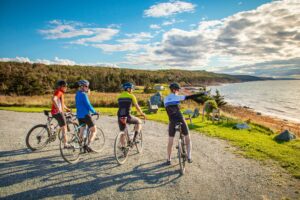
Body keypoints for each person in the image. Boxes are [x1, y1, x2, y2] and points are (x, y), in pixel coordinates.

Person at [164, 83, 205, 165]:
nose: (178, 91)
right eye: (178, 90)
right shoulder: (177, 97)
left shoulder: (165, 99)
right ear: (174, 90)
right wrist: (202, 93)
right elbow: (191, 97)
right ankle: (189, 157)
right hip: (180, 118)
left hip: (172, 120)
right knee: (187, 137)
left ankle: (168, 159)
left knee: (170, 140)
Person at [75, 80, 98, 151]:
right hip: (86, 115)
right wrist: (95, 111)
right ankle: (88, 145)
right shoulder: (84, 95)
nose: (88, 88)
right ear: (82, 86)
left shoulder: (77, 94)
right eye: (87, 86)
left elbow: (81, 103)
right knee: (94, 130)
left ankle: (81, 146)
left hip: (79, 116)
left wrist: (87, 94)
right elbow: (88, 105)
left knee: (81, 131)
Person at [51, 80, 70, 147]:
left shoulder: (58, 92)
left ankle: (52, 128)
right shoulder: (59, 92)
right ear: (61, 87)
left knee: (62, 125)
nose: (66, 88)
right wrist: (58, 109)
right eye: (65, 86)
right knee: (64, 127)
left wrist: (67, 109)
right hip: (58, 112)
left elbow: (61, 103)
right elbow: (53, 99)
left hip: (54, 112)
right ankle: (65, 144)